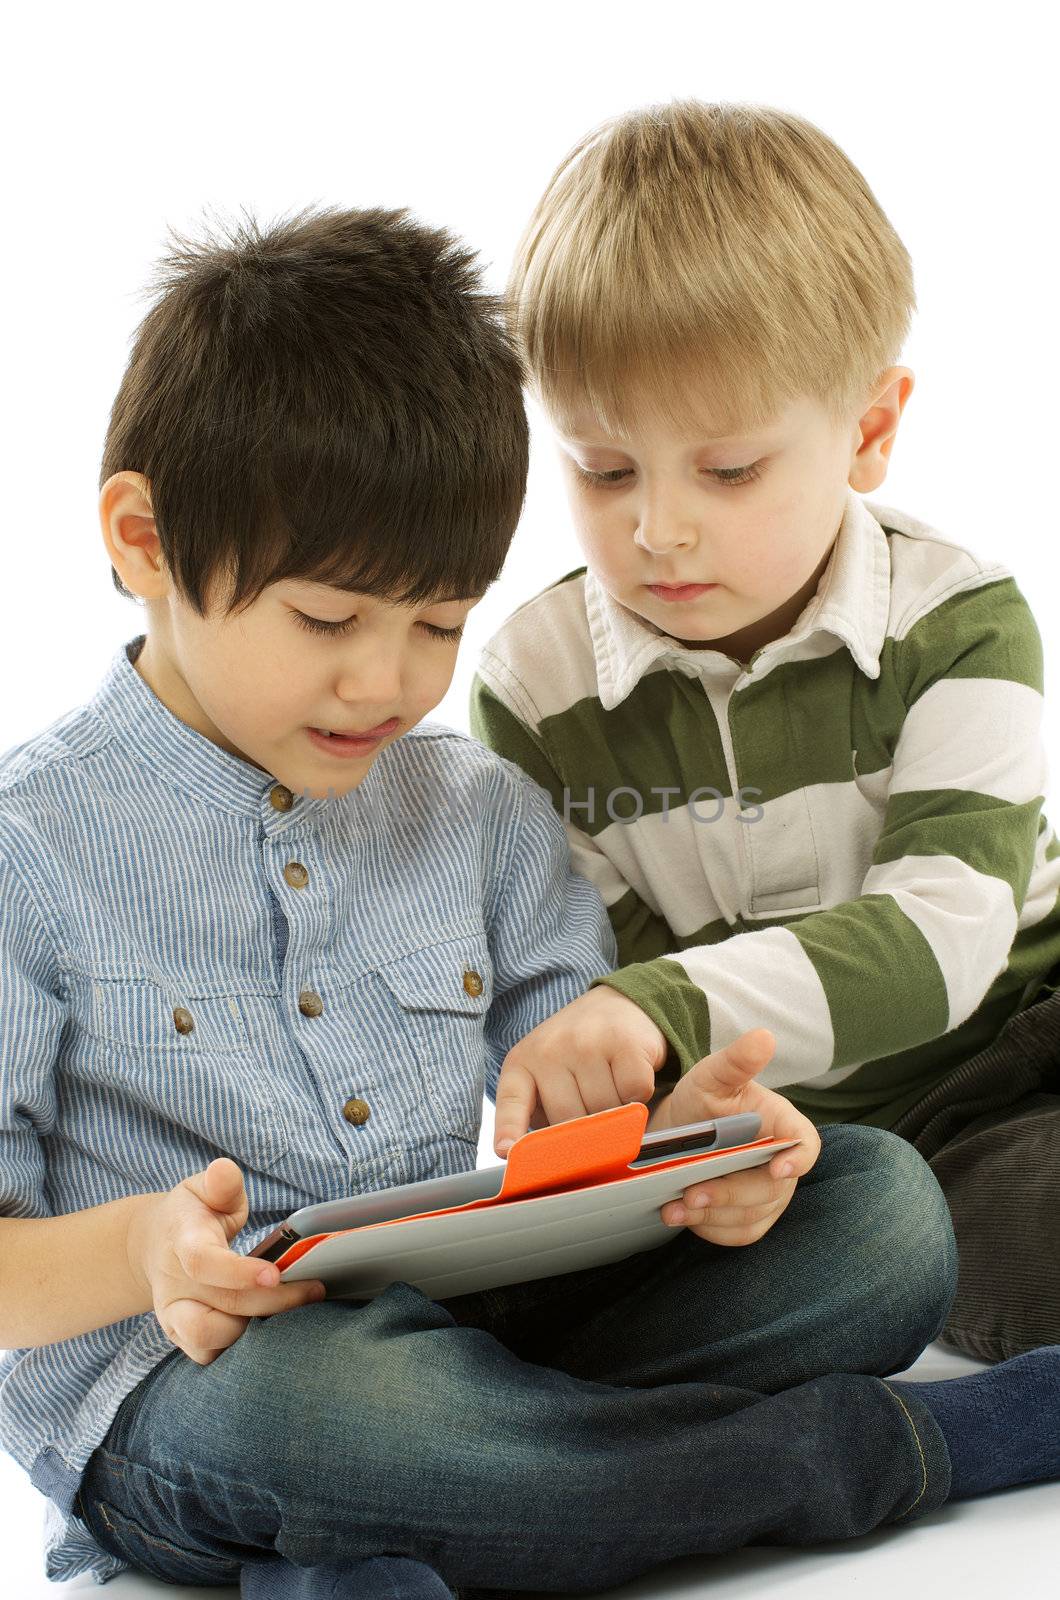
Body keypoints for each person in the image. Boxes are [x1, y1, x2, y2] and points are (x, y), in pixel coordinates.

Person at [0, 207, 1048, 1600]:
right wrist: (145, 1248)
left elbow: (576, 1115)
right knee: (328, 1410)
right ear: (143, 539)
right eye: (329, 622)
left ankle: (377, 1543)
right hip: (201, 1383)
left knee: (879, 1217)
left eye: (440, 625)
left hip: (479, 1333)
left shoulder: (478, 812)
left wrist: (693, 1152)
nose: (390, 683)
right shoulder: (33, 848)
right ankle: (869, 1453)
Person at [470, 100, 1060, 1384]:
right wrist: (663, 1099)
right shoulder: (534, 684)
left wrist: (658, 1005)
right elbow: (594, 1012)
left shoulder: (958, 620)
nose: (659, 530)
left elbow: (942, 941)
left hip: (1025, 1032)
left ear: (867, 430)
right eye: (605, 470)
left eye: (727, 471)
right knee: (947, 1229)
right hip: (845, 1136)